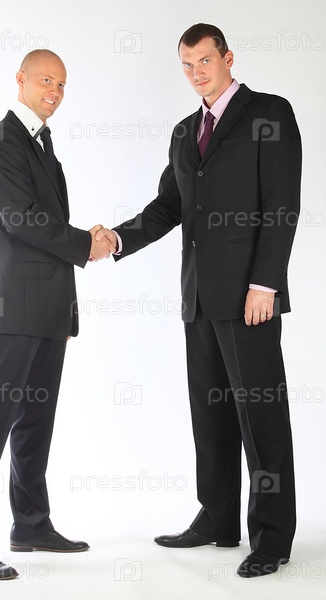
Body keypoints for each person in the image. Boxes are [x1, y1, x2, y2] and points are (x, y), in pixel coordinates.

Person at [96, 23, 301, 578]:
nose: (196, 73)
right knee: (209, 415)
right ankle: (217, 519)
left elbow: (282, 204)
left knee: (261, 417)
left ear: (228, 58)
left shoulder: (269, 113)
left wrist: (266, 284)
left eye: (205, 61)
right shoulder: (186, 131)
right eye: (187, 65)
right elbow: (169, 206)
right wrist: (117, 240)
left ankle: (272, 537)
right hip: (199, 298)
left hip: (250, 297)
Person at [0, 49, 115, 580]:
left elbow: (45, 222)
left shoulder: (43, 144)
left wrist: (66, 306)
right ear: (20, 80)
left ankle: (31, 525)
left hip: (47, 311)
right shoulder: (1, 141)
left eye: (62, 84)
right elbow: (22, 219)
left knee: (35, 422)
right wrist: (85, 243)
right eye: (46, 80)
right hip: (13, 308)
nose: (55, 92)